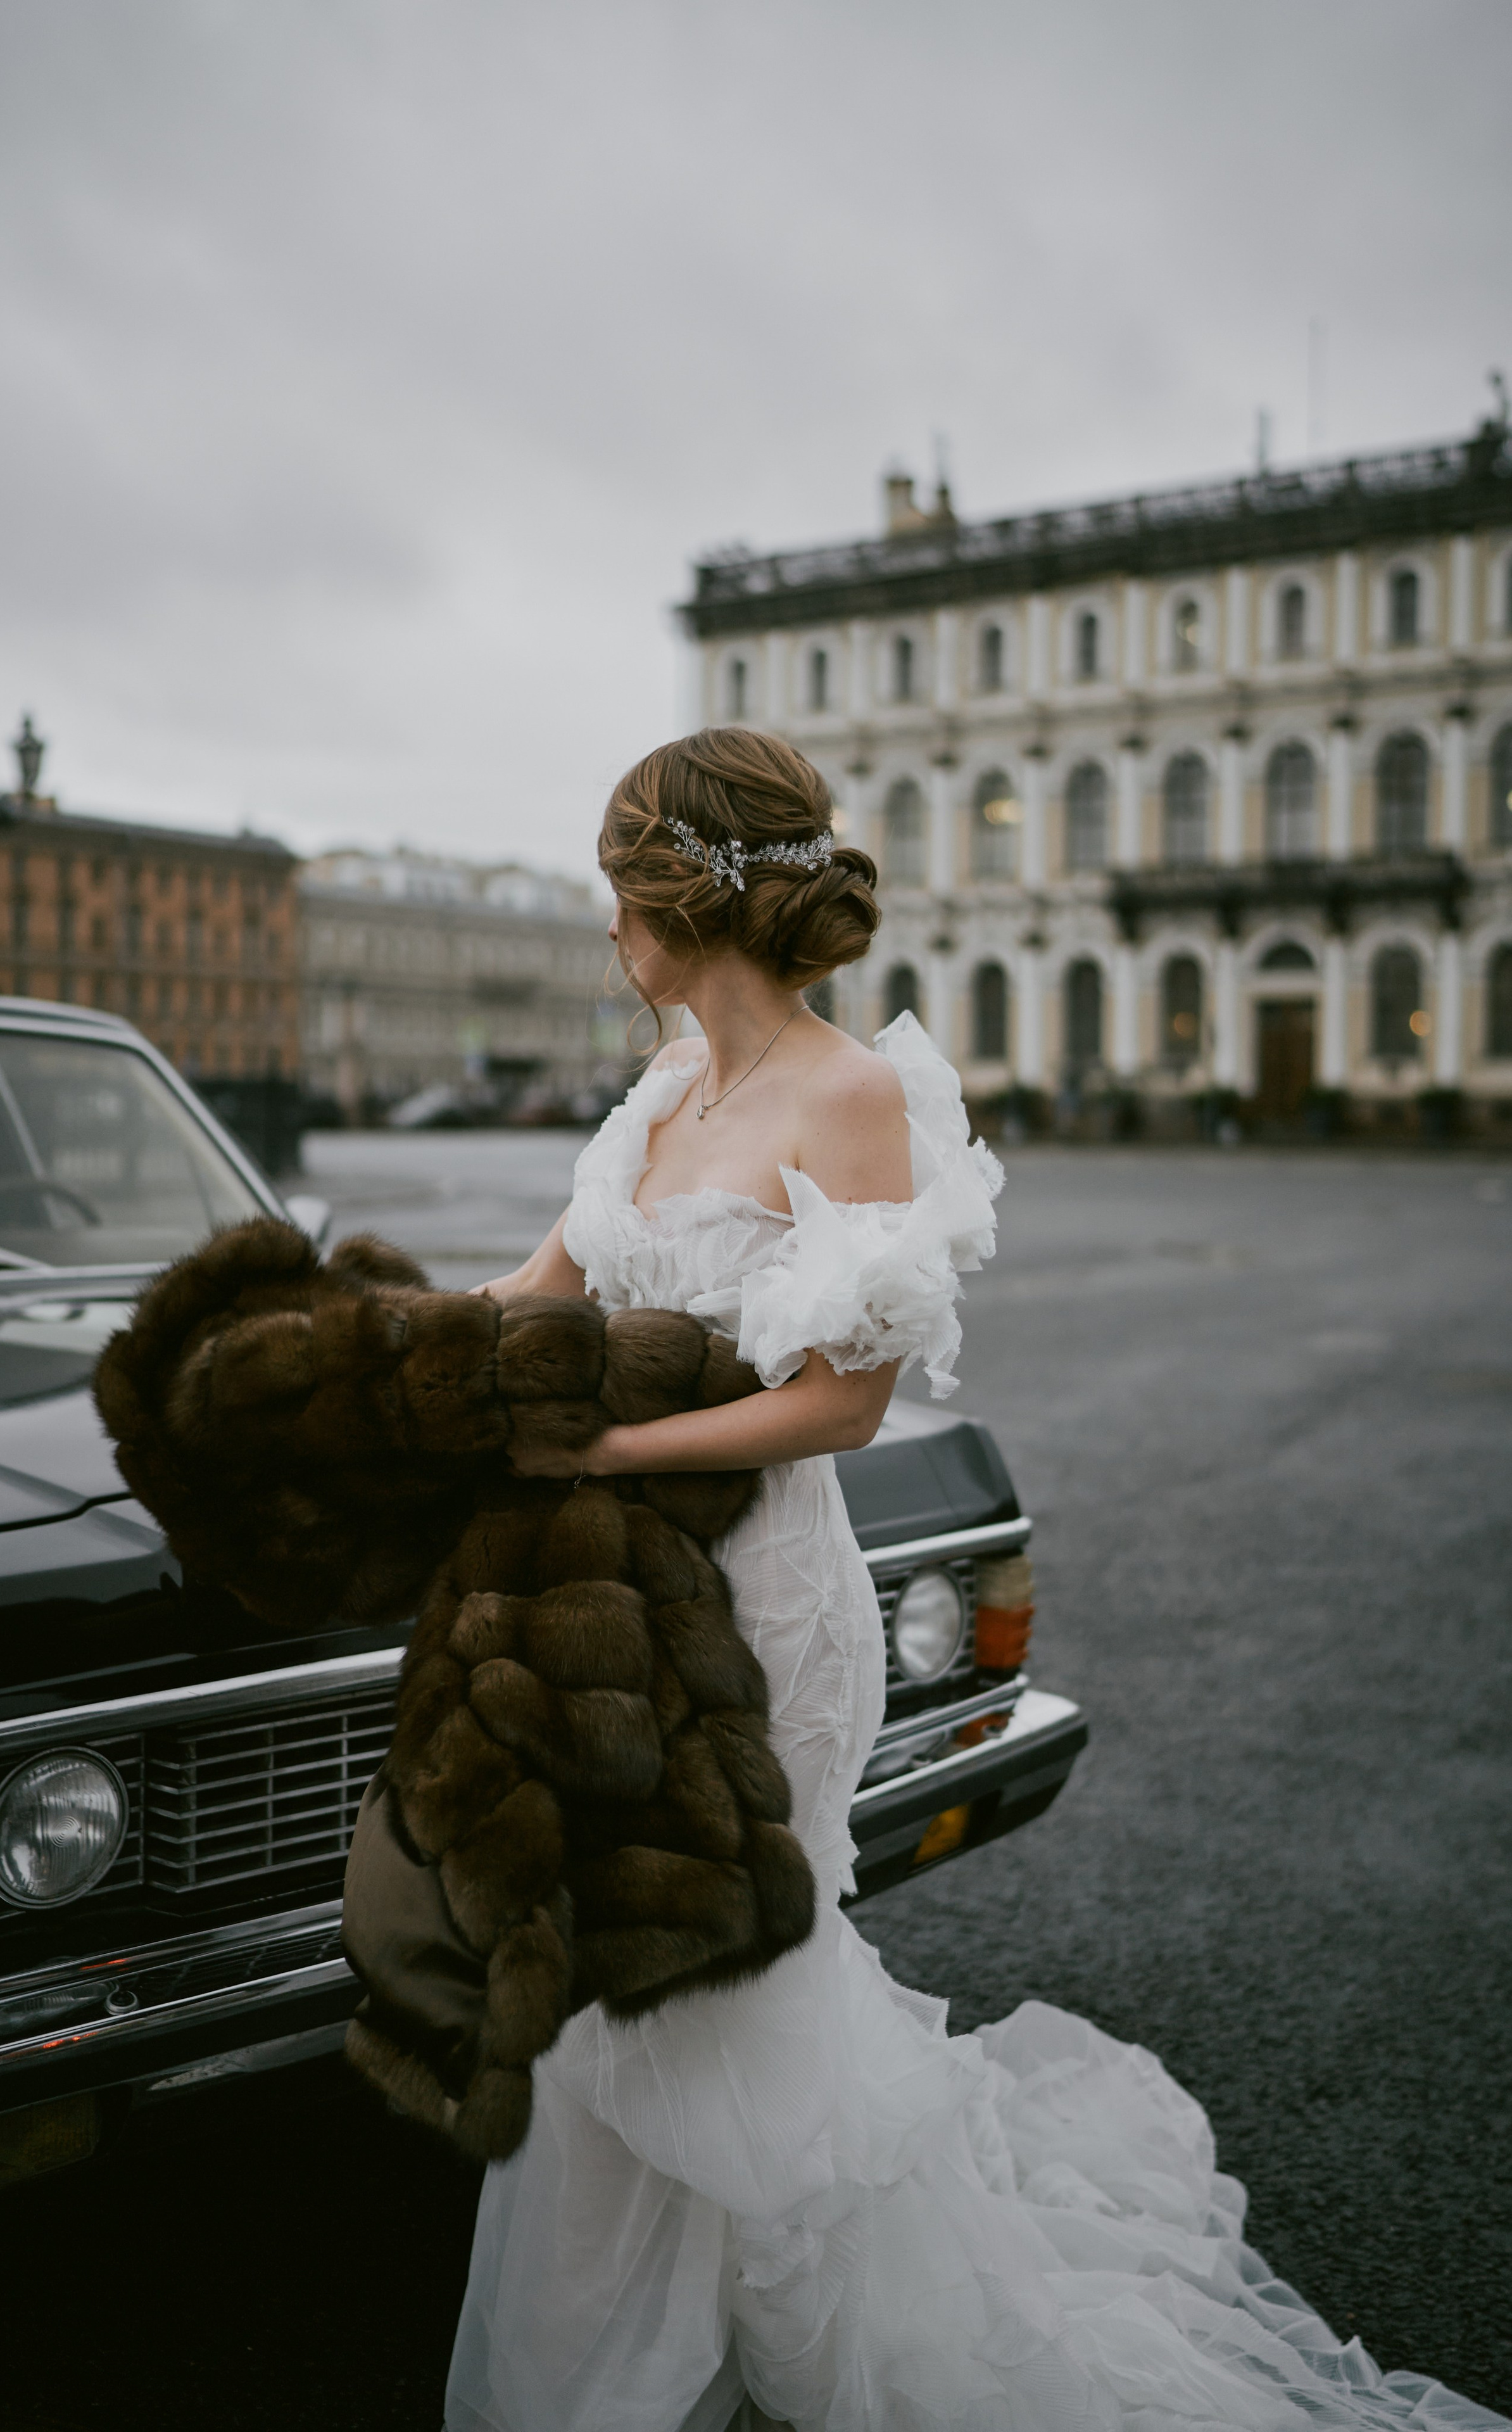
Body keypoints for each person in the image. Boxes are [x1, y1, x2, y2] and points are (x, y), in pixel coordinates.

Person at [443, 728, 1500, 2432]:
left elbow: (843, 1400)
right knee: (600, 1982)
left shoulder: (850, 1094)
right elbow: (534, 1285)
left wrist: (601, 1458)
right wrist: (366, 1367)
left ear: (675, 893)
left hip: (764, 1613)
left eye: (614, 887)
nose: (604, 928)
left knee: (712, 1984)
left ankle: (738, 2355)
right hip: (619, 1620)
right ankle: (627, 2352)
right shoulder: (656, 1091)